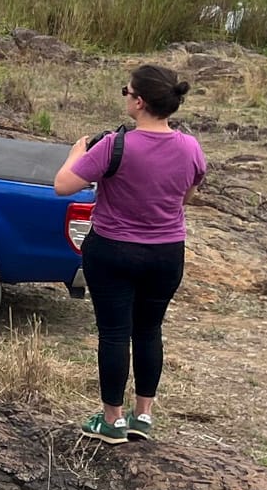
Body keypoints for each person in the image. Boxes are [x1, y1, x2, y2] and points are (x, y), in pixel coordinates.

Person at [53, 64, 206, 445]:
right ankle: (143, 416)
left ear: (138, 102)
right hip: (166, 254)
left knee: (115, 334)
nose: (125, 95)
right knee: (149, 331)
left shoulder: (114, 146)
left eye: (127, 91)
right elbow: (188, 196)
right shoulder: (190, 147)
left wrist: (75, 154)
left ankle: (112, 421)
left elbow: (63, 186)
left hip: (113, 251)